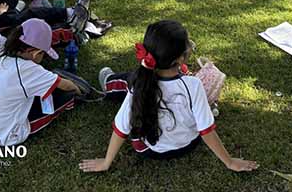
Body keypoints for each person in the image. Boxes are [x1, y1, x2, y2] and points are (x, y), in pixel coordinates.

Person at [79, 20, 258, 172]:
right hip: (189, 144)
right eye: (187, 44)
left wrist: (106, 162)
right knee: (138, 82)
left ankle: (109, 83)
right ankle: (111, 83)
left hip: (149, 150)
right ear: (179, 59)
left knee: (129, 80)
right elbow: (206, 130)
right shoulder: (193, 85)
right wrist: (229, 162)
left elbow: (121, 128)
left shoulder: (139, 85)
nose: (190, 46)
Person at [0, 19, 82, 145]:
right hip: (6, 134)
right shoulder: (28, 69)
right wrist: (78, 90)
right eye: (43, 54)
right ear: (34, 53)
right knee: (65, 96)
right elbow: (66, 86)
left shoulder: (1, 56)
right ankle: (73, 100)